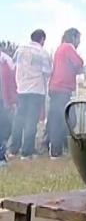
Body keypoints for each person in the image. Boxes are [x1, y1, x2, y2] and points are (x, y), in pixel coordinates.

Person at [9, 29, 52, 159]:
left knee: (19, 119)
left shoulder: (20, 49)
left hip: (21, 88)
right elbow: (48, 72)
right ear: (42, 39)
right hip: (36, 89)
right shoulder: (42, 53)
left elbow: (13, 65)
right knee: (31, 120)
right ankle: (27, 151)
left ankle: (13, 149)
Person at [46, 28, 83, 158]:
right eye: (78, 39)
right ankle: (56, 149)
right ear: (73, 37)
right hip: (62, 88)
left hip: (56, 87)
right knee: (66, 119)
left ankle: (57, 147)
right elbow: (79, 62)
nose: (79, 42)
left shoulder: (60, 48)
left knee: (60, 118)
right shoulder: (68, 47)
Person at [0, 50, 16, 167]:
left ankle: (1, 156)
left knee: (5, 128)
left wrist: (9, 101)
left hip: (3, 100)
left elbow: (10, 82)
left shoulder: (6, 61)